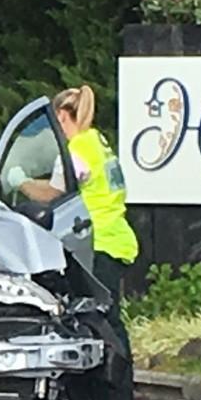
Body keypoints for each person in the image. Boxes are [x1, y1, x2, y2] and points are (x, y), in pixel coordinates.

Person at [10, 85, 138, 348]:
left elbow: (52, 193)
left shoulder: (76, 151)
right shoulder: (96, 142)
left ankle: (114, 382)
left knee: (100, 319)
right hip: (115, 238)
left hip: (96, 242)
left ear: (61, 116)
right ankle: (118, 380)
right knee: (109, 318)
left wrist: (20, 182)